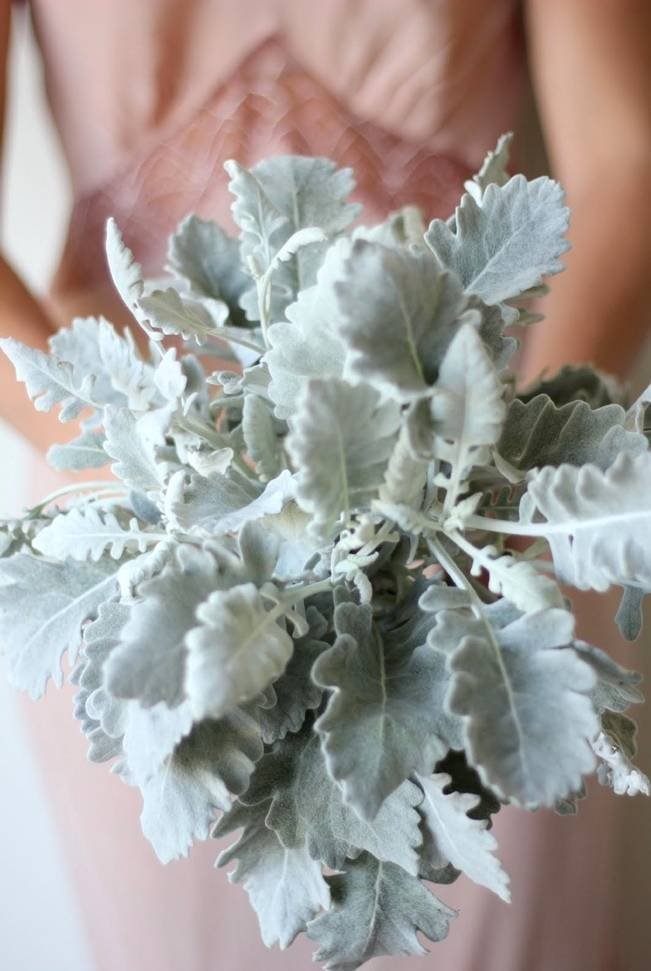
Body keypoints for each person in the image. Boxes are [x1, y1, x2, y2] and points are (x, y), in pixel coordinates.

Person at [1, 1, 650, 969]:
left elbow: (627, 158)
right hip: (151, 559)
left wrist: (497, 489)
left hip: (485, 532)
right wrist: (151, 475)